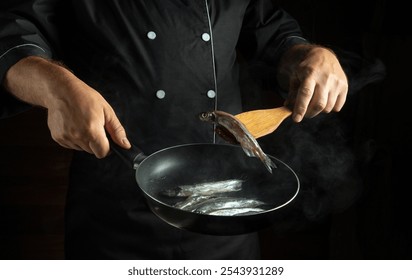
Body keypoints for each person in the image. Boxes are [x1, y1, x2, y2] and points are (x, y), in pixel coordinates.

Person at [0, 0, 348, 259]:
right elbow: (11, 34)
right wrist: (53, 85)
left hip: (227, 208)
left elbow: (268, 27)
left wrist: (308, 55)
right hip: (115, 203)